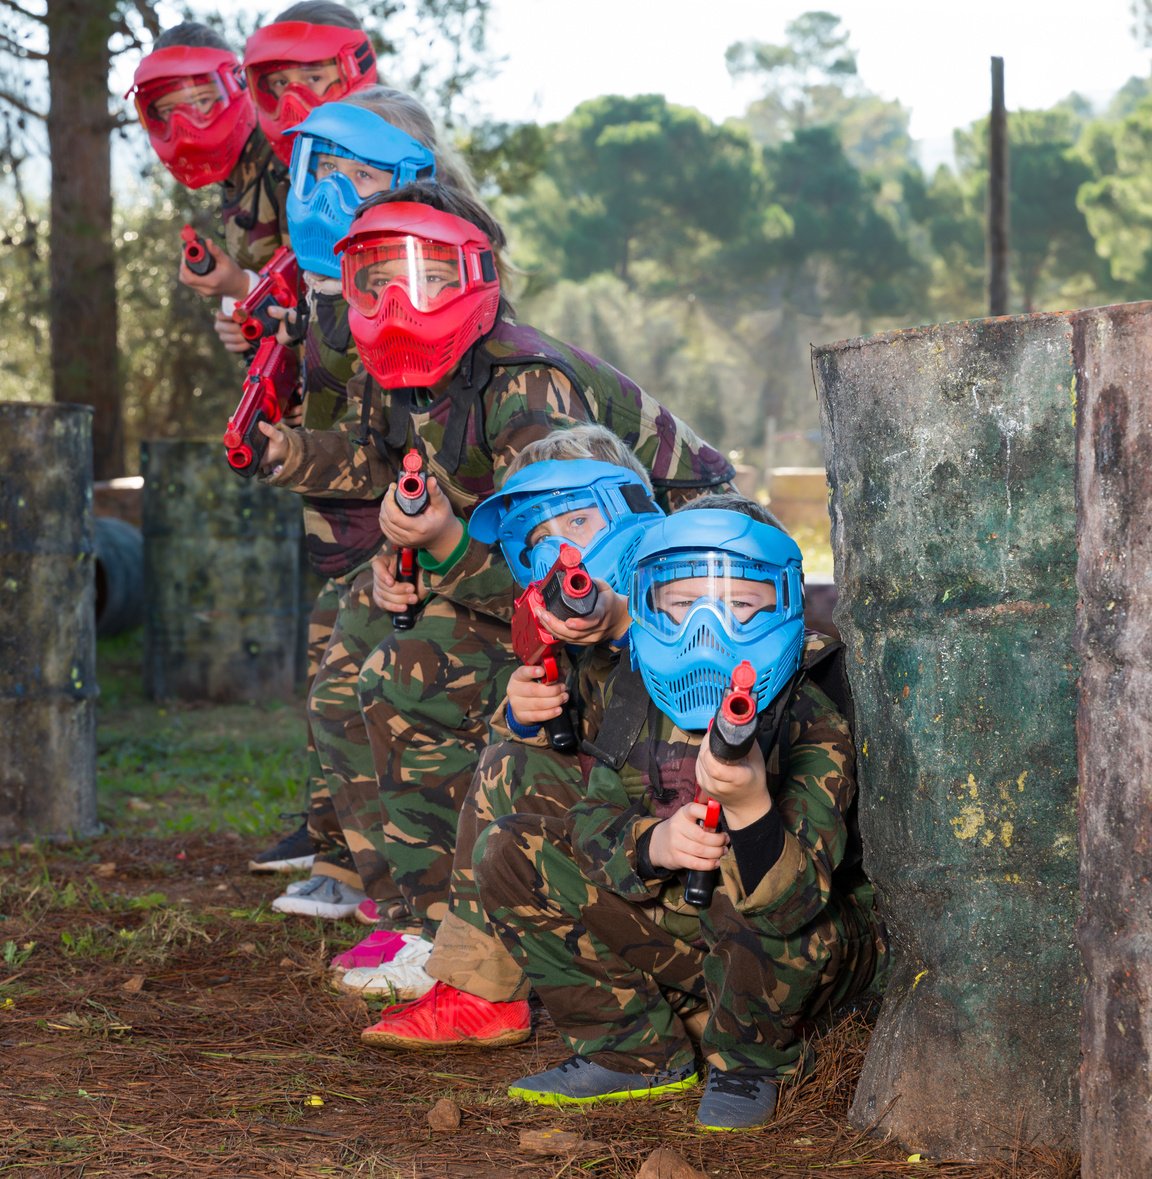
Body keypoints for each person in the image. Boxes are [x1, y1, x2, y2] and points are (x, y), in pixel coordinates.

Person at [255, 181, 735, 1003]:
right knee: (350, 684)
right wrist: (397, 547)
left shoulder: (527, 386)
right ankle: (417, 909)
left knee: (410, 678)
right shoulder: (419, 376)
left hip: (677, 600)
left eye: (431, 273)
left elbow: (573, 567)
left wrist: (441, 548)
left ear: (480, 275)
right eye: (377, 276)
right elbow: (416, 485)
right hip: (556, 583)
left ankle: (471, 938)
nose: (401, 298)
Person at [472, 497, 889, 1131]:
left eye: (740, 604)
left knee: (748, 884)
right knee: (509, 850)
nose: (708, 629)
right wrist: (654, 847)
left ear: (783, 603)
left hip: (799, 946)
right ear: (648, 604)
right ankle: (633, 1051)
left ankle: (749, 1061)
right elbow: (591, 821)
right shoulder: (633, 692)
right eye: (683, 603)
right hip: (694, 922)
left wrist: (750, 807)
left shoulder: (812, 719)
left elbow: (795, 909)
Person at [346, 427, 662, 1040]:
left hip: (692, 880)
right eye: (538, 539)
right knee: (511, 749)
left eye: (575, 523)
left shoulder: (684, 606)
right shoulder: (571, 639)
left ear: (633, 514)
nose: (556, 554)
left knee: (513, 765)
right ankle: (471, 980)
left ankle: (482, 993)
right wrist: (522, 715)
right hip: (629, 855)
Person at [126, 23, 290, 343]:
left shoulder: (283, 160)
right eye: (169, 110)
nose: (186, 127)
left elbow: (328, 307)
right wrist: (242, 309)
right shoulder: (239, 169)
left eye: (202, 101)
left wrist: (242, 288)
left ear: (238, 86)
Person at [242, 1, 377, 167]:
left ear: (357, 73)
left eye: (314, 78)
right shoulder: (256, 164)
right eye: (281, 82)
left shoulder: (399, 162)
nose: (292, 101)